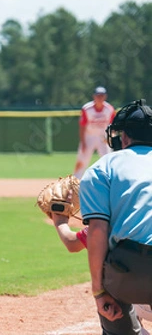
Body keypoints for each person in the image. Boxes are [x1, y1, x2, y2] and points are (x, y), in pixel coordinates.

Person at [79, 98, 152, 335]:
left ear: (124, 137)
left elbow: (97, 232)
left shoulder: (103, 167)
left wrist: (99, 291)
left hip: (130, 272)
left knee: (112, 254)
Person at [51, 210, 150, 334]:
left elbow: (71, 243)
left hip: (133, 299)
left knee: (113, 272)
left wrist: (60, 222)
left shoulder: (113, 223)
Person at [73, 86, 115, 179]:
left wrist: (110, 138)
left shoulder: (109, 109)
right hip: (89, 137)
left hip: (103, 138)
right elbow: (82, 126)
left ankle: (110, 181)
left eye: (102, 95)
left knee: (108, 159)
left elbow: (112, 126)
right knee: (82, 160)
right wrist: (83, 142)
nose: (100, 97)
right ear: (94, 96)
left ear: (105, 97)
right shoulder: (87, 108)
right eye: (98, 95)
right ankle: (74, 183)